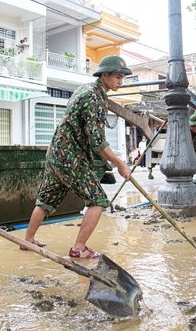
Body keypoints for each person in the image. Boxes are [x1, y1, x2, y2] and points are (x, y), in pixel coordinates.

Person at [23, 55, 132, 259]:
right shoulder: (95, 97)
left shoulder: (85, 89)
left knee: (45, 199)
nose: (120, 82)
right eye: (118, 77)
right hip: (69, 158)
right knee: (98, 200)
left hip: (57, 154)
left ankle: (27, 240)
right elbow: (97, 141)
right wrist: (120, 164)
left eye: (122, 78)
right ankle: (79, 248)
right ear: (105, 75)